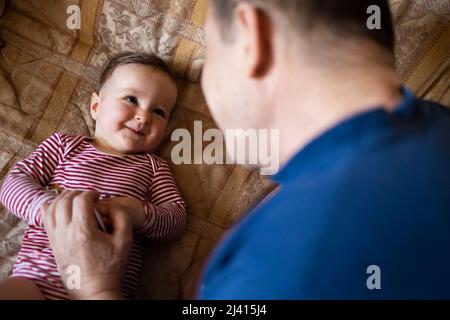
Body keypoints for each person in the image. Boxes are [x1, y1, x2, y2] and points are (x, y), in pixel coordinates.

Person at [34, 0, 450, 299]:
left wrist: (95, 285)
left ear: (252, 38)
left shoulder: (278, 273)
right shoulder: (432, 125)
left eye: (212, 54)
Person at [0, 52, 187, 299]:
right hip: (37, 280)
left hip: (107, 287)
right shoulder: (64, 146)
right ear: (96, 106)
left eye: (159, 112)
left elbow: (176, 220)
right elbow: (14, 183)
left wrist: (139, 214)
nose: (144, 116)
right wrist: (50, 212)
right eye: (131, 99)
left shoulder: (154, 167)